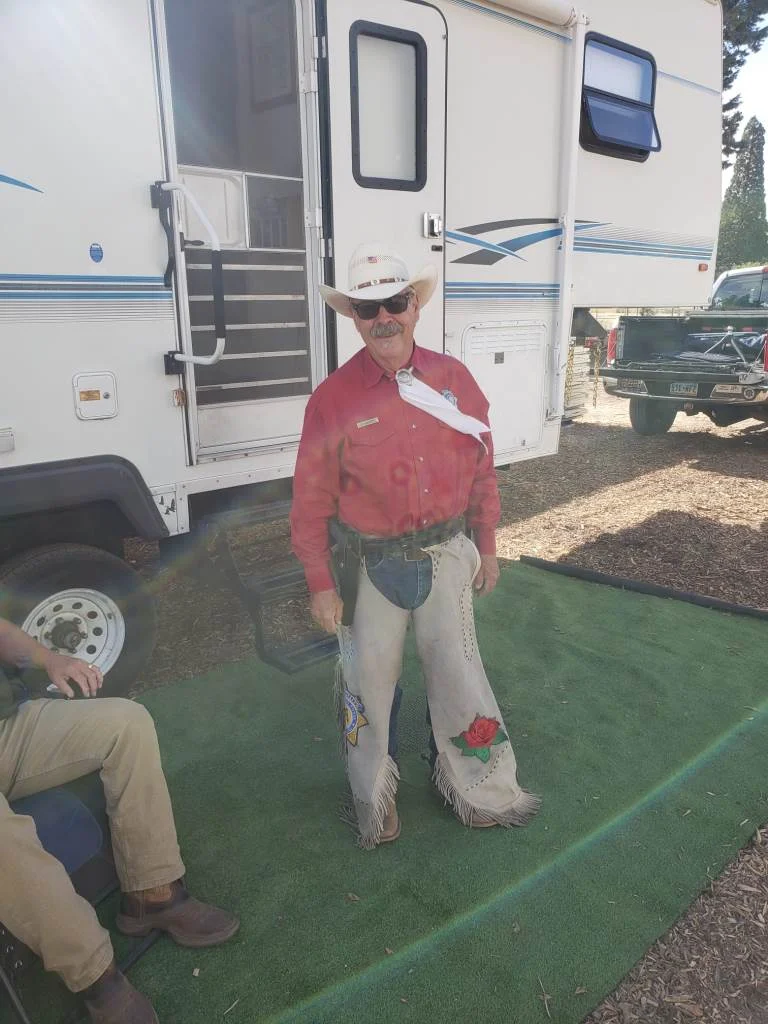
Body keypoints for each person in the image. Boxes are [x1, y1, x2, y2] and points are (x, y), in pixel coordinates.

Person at [290, 242, 539, 849]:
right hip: (368, 564)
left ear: (415, 307)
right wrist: (320, 583)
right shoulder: (332, 399)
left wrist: (487, 542)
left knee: (459, 678)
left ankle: (475, 785)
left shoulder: (454, 381)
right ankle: (374, 796)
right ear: (354, 318)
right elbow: (310, 499)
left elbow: (482, 467)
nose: (384, 318)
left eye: (395, 303)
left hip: (446, 555)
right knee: (368, 686)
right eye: (368, 308)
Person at [0, 616, 239, 1024]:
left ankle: (152, 893)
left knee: (126, 723)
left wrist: (51, 659)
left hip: (7, 728)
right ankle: (95, 974)